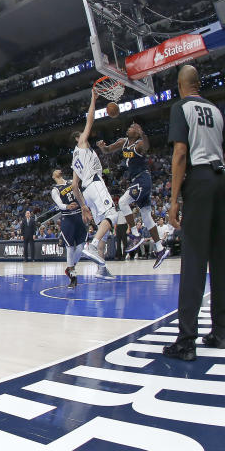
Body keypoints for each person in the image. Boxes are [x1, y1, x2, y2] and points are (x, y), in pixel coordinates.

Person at [163, 65, 225, 361]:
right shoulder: (216, 110)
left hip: (199, 181)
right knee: (220, 261)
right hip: (221, 180)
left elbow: (180, 153)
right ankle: (220, 333)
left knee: (194, 261)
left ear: (180, 85)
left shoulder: (181, 107)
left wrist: (174, 199)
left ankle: (186, 341)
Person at [97, 122, 168, 265]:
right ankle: (160, 249)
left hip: (143, 178)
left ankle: (135, 234)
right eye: (130, 127)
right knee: (147, 217)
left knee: (123, 202)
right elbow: (107, 150)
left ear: (137, 133)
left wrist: (142, 133)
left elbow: (147, 146)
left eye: (133, 128)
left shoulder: (140, 144)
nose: (130, 128)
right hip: (136, 180)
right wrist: (101, 146)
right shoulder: (123, 142)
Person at [69, 91, 117, 280]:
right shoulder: (81, 143)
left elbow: (74, 186)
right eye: (81, 134)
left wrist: (83, 207)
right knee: (112, 214)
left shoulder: (74, 160)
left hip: (86, 192)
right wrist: (93, 99)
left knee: (103, 230)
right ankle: (92, 245)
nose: (85, 134)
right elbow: (90, 119)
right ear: (77, 139)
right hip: (95, 185)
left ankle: (101, 269)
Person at [47, 169, 91, 289]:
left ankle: (70, 267)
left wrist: (84, 207)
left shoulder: (71, 182)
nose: (58, 170)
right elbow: (59, 204)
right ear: (53, 176)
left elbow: (80, 195)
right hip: (67, 218)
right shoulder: (55, 190)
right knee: (70, 248)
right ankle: (73, 277)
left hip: (78, 215)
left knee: (81, 246)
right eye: (55, 170)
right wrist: (66, 206)